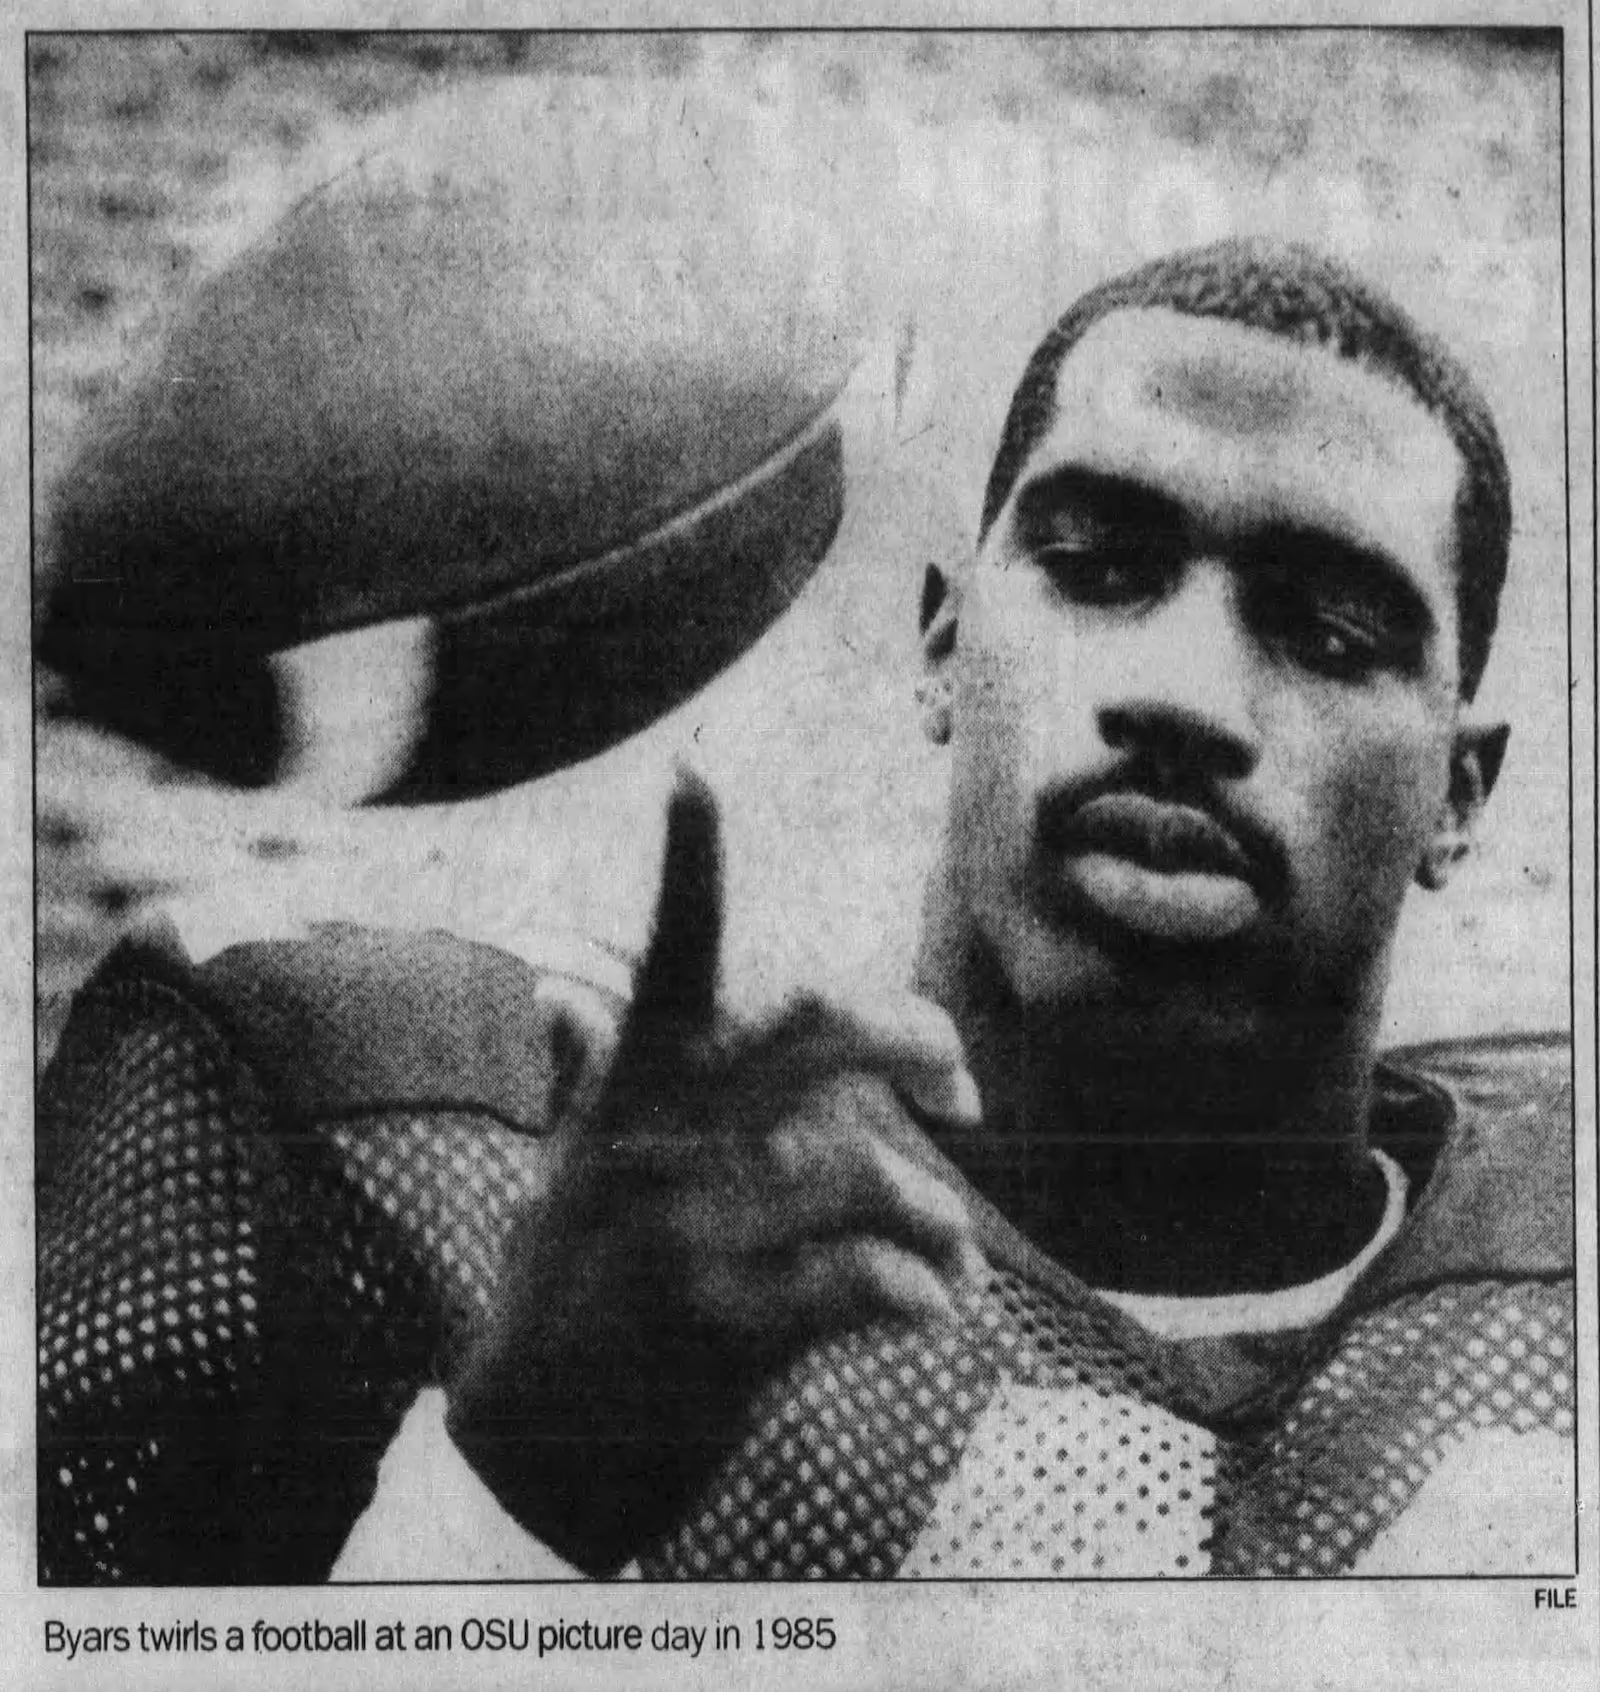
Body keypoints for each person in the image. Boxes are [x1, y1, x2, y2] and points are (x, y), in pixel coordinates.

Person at [38, 240, 1573, 1583]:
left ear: (1460, 792)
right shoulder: (421, 1143)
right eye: (1098, 565)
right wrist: (514, 1492)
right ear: (941, 648)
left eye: (1328, 630)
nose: (1181, 694)